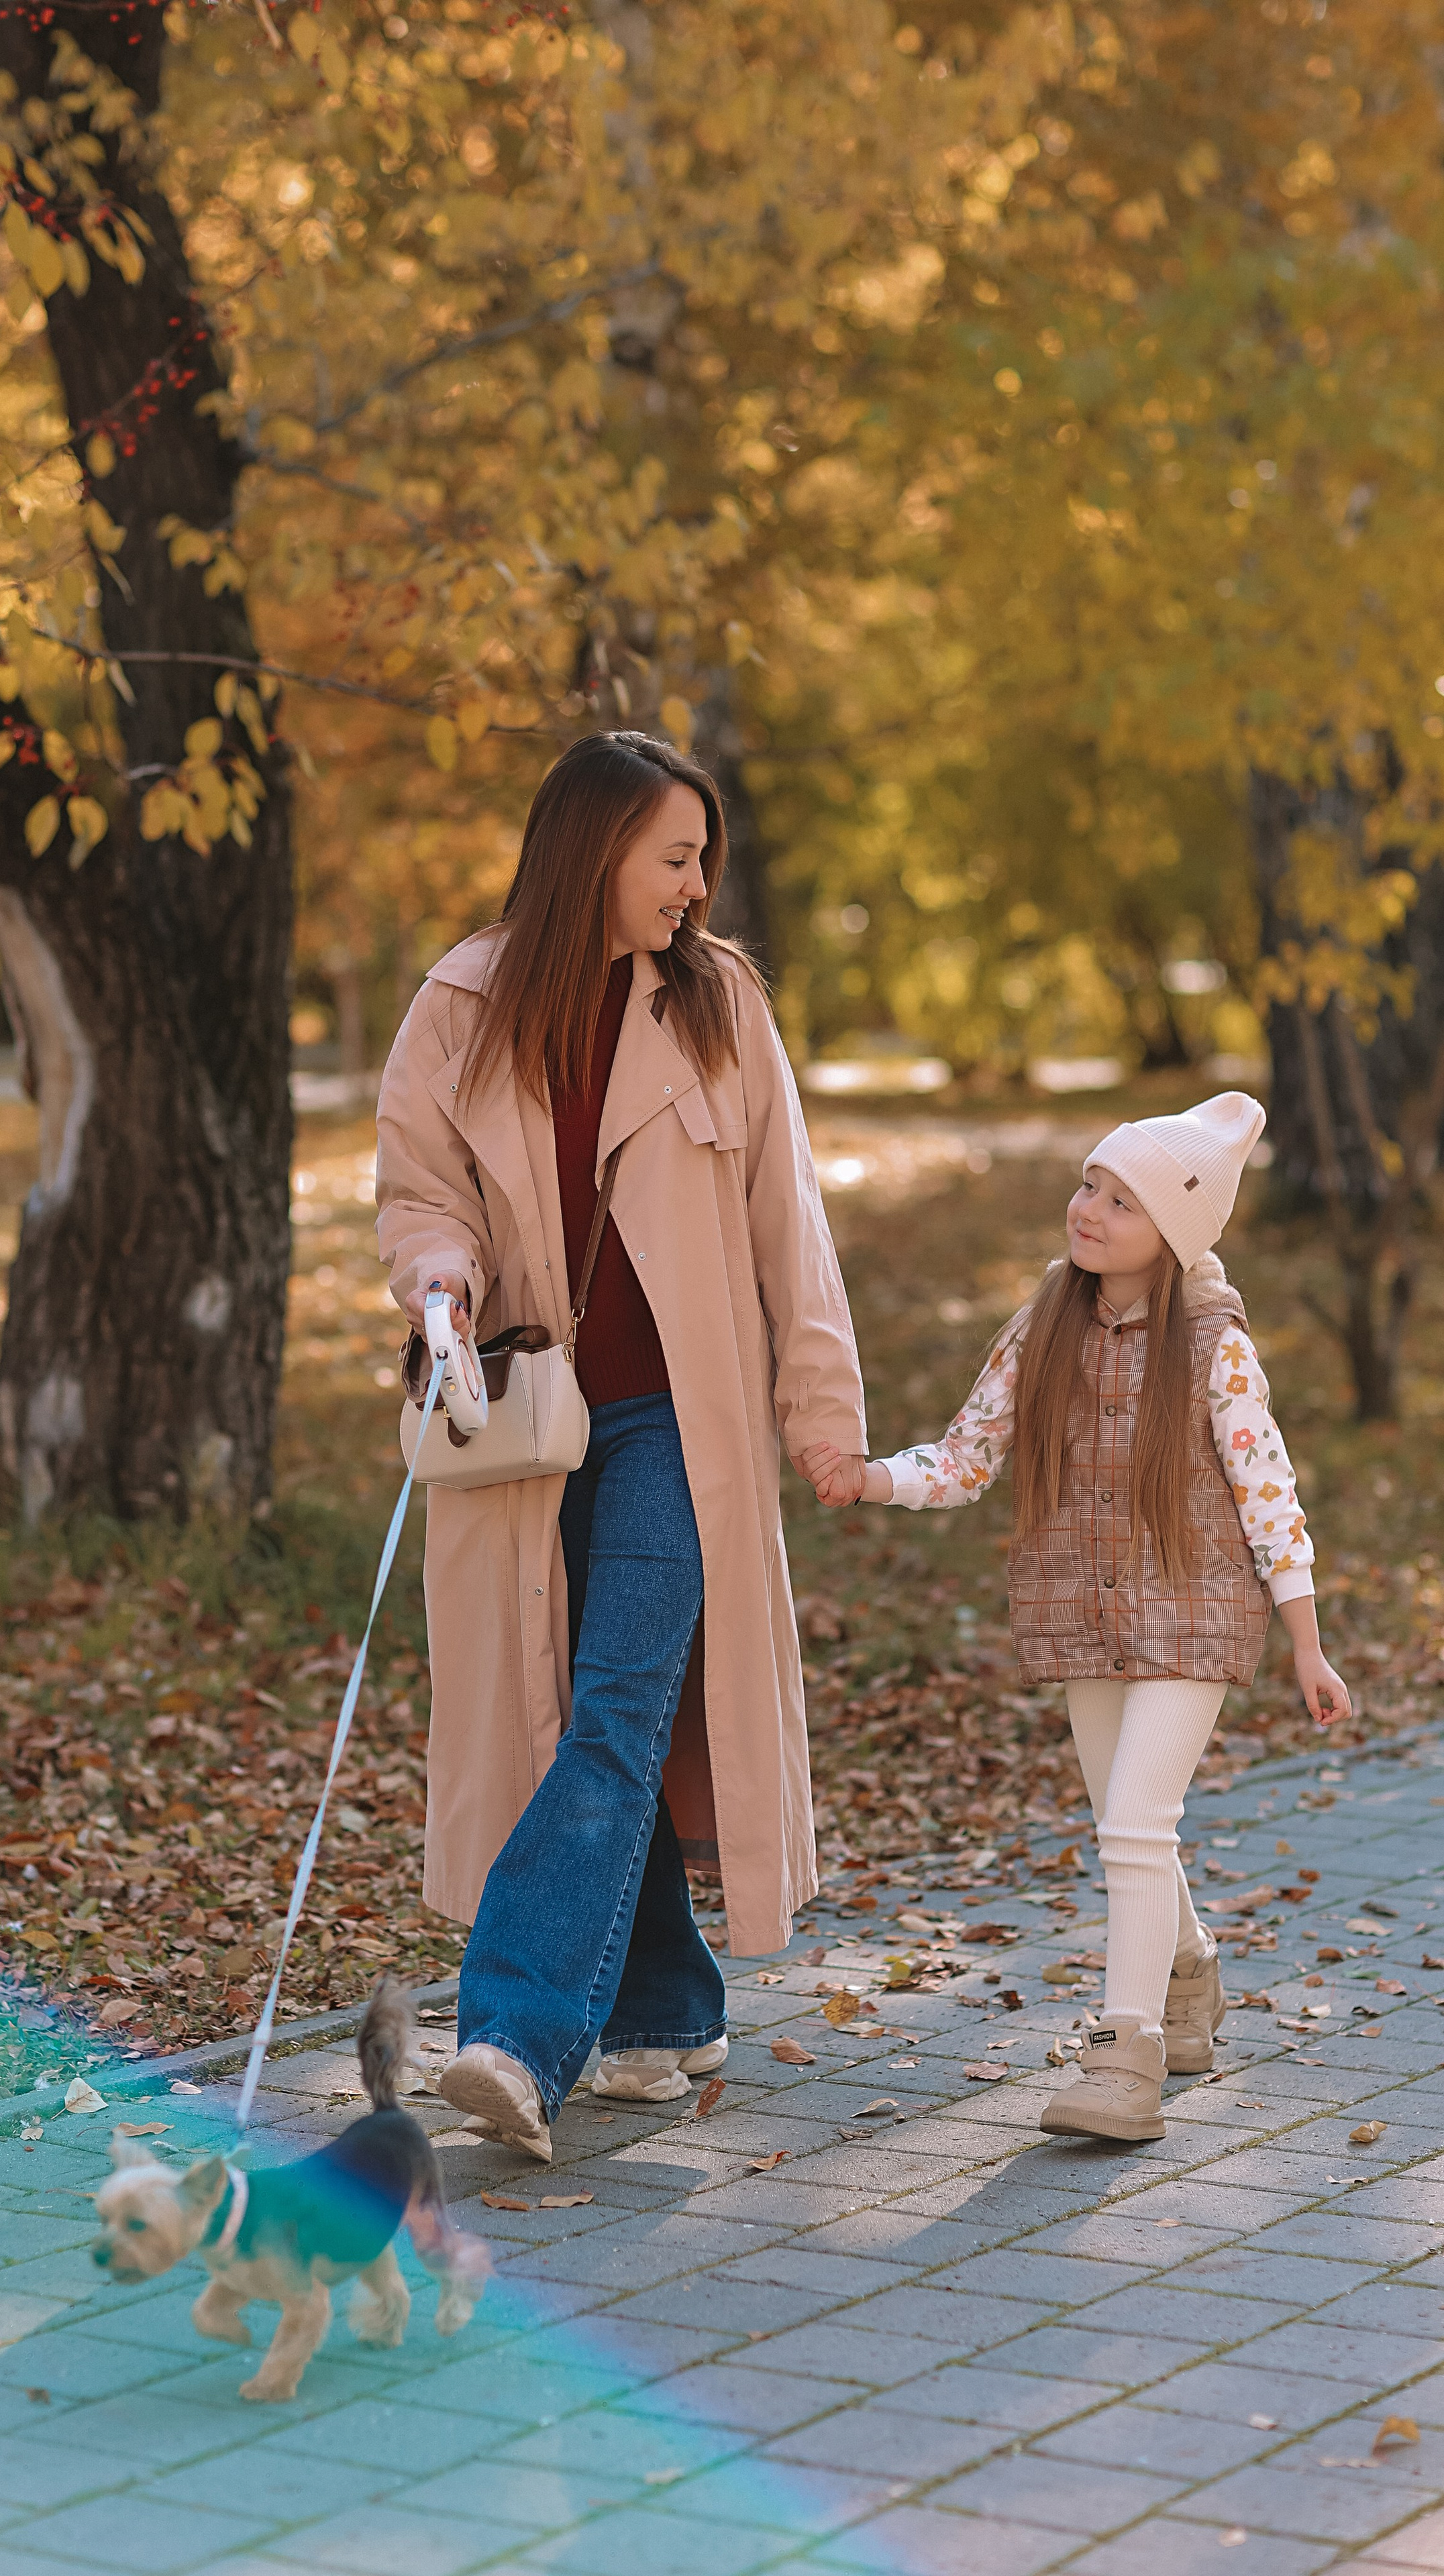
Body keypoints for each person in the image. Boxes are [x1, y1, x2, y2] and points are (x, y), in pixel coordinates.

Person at [375, 730, 866, 2162]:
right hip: (523, 1416)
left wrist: (820, 1410)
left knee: (609, 1704)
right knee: (585, 1714)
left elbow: (794, 1223)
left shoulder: (717, 1009)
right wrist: (437, 1281)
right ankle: (658, 2009)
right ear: (594, 853)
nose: (697, 881)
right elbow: (419, 1189)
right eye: (673, 854)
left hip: (675, 1422)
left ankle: (510, 2035)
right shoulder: (459, 1004)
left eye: (700, 854)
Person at [807, 1093, 1350, 2143]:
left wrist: (1306, 1642)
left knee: (1136, 1825)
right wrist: (871, 1480)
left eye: (1123, 1201)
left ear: (1176, 1234)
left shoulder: (1215, 1347)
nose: (1090, 1209)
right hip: (1083, 1608)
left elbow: (1267, 1487)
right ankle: (1188, 1973)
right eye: (1088, 1185)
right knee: (1127, 1825)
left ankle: (1125, 2051)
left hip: (1192, 1612)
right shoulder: (1043, 1324)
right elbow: (969, 1456)